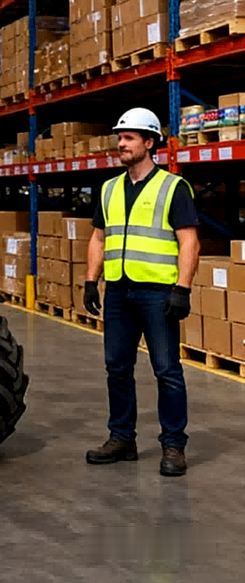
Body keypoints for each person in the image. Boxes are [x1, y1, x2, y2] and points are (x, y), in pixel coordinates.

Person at [83, 107, 200, 477]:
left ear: (149, 143)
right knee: (117, 368)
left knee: (167, 370)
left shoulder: (173, 187)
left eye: (129, 137)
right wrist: (91, 280)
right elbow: (98, 238)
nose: (121, 143)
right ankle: (122, 438)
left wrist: (182, 289)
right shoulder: (109, 189)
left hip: (157, 293)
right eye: (120, 137)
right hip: (118, 291)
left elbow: (189, 241)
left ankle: (173, 446)